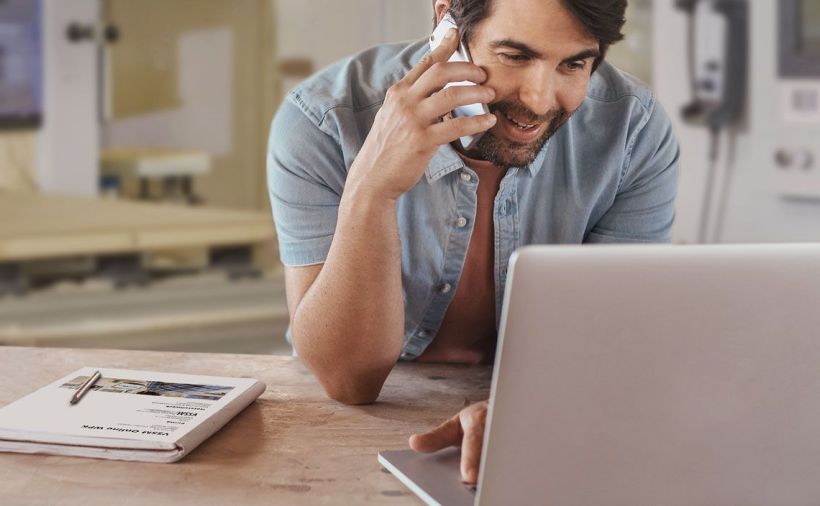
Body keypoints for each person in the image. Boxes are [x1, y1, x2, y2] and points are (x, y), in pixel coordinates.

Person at [268, 0, 679, 483]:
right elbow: (347, 380)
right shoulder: (324, 119)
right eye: (515, 56)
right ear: (447, 22)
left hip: (540, 424)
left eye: (574, 63)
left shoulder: (632, 131)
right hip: (346, 434)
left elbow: (611, 351)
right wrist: (374, 187)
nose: (541, 99)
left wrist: (524, 410)